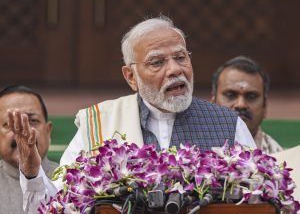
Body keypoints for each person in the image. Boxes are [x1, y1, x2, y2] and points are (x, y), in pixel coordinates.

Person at [9, 16, 256, 213]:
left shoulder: (227, 124)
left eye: (181, 57)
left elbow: (260, 200)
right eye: (157, 62)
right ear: (130, 77)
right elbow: (58, 205)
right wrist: (32, 173)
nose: (174, 70)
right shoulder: (98, 123)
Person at [0, 85, 58, 214]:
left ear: (48, 131)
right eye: (11, 123)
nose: (23, 131)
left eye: (32, 121)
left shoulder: (72, 182)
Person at [211, 56, 283, 154]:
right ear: (212, 104)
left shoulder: (278, 160)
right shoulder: (192, 156)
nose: (241, 105)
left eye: (251, 96)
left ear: (264, 106)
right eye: (230, 95)